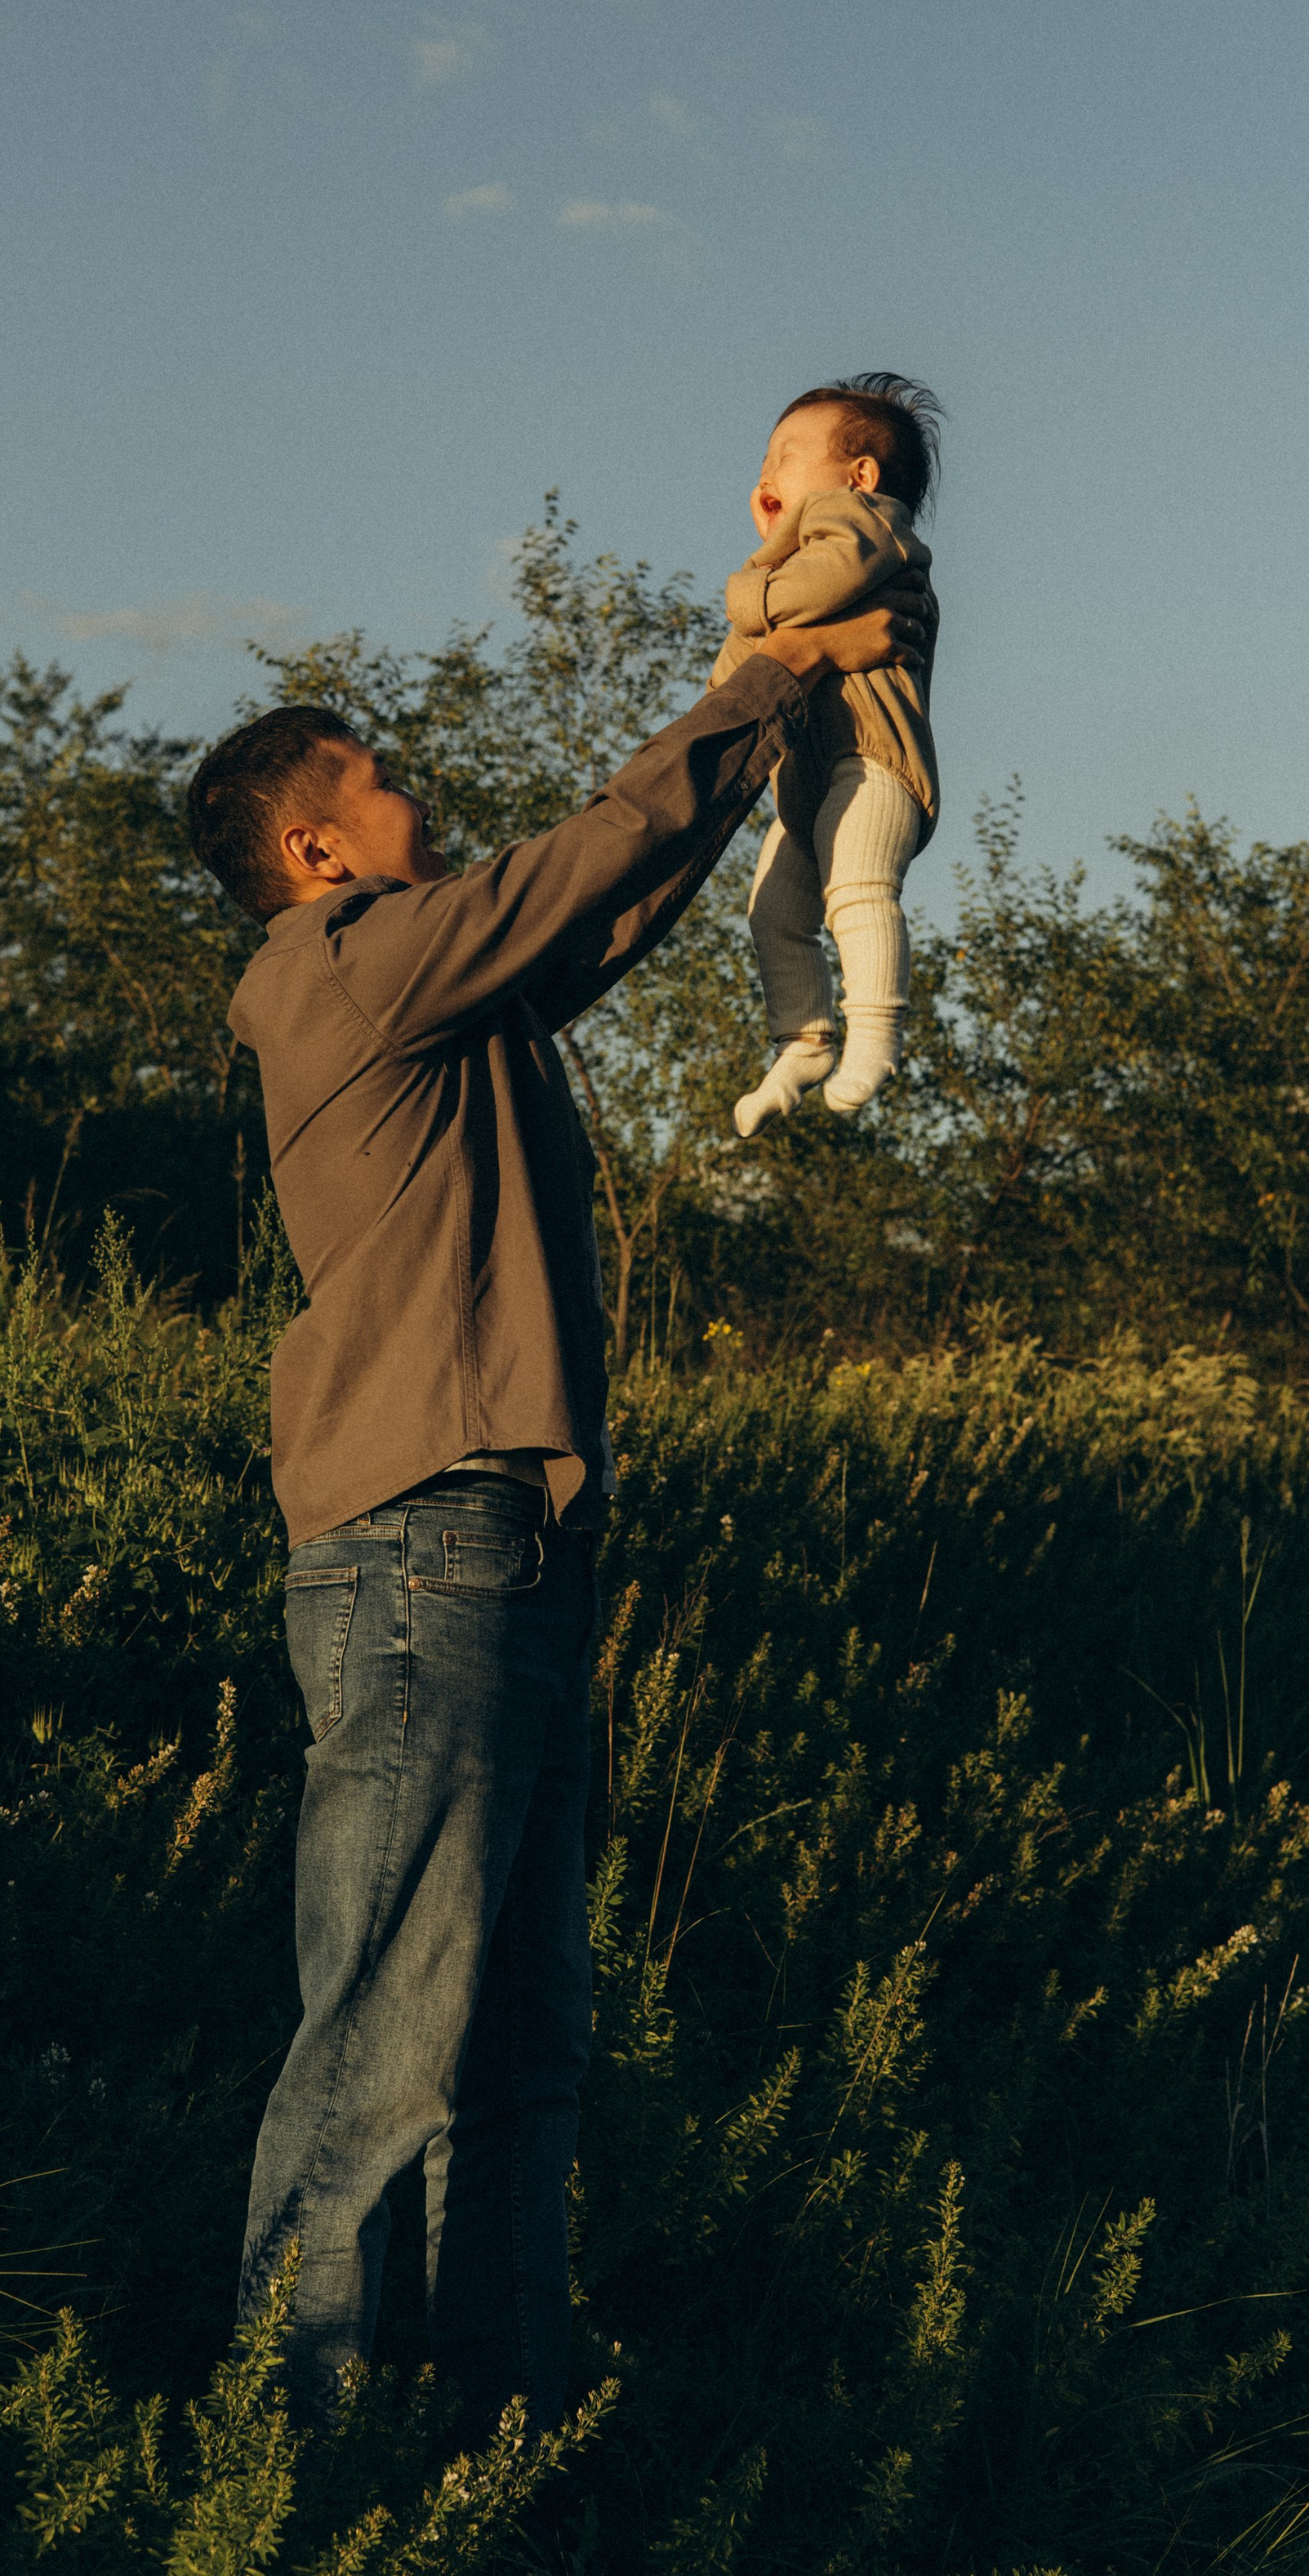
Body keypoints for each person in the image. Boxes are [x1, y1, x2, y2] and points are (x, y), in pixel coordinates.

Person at [184, 576, 931, 2440]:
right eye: (381, 780)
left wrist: (777, 736)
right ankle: (277, 2479)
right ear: (311, 838)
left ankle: (490, 2447)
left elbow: (602, 892)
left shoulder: (442, 992)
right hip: (420, 1546)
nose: (415, 798)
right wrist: (768, 669)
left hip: (496, 1551)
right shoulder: (342, 963)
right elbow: (580, 856)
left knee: (515, 2055)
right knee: (376, 2048)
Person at [709, 374, 942, 1136]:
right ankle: (802, 1040)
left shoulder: (873, 528)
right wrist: (771, 560)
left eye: (786, 456)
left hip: (872, 762)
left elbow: (804, 595)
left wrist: (761, 565)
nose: (766, 475)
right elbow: (735, 681)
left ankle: (875, 1036)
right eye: (764, 459)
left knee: (857, 889)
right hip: (805, 783)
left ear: (860, 477)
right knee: (772, 913)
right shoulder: (798, 561)